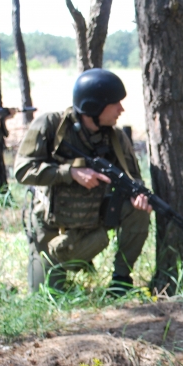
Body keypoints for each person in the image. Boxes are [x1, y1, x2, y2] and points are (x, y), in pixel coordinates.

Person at [14, 68, 152, 294]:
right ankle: (68, 264)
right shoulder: (50, 125)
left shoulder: (116, 137)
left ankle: (121, 280)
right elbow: (22, 170)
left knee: (138, 211)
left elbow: (133, 178)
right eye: (115, 103)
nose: (121, 109)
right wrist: (70, 173)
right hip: (51, 225)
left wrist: (139, 196)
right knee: (46, 295)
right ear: (94, 106)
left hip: (92, 219)